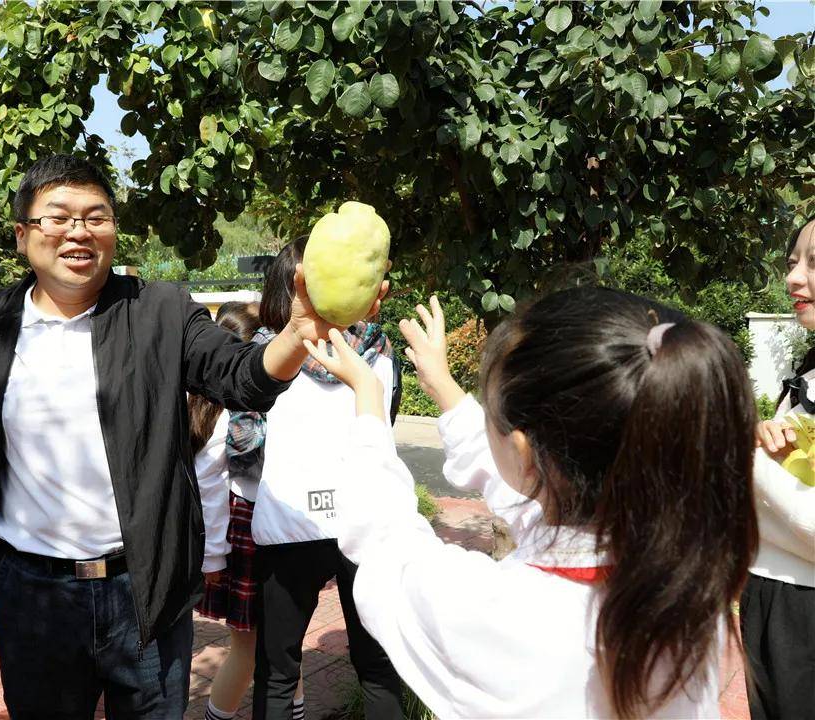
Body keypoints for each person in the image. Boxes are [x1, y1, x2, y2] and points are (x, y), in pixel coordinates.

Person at [0, 155, 386, 718]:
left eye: (97, 217)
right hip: (32, 594)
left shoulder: (160, 310)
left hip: (144, 593)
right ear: (23, 235)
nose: (78, 232)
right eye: (58, 217)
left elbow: (240, 377)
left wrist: (296, 333)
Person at [303, 288, 757, 718]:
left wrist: (367, 397)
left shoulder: (500, 614)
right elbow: (537, 500)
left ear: (525, 456)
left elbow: (385, 538)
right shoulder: (684, 586)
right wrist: (442, 385)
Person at [244, 238, 405, 720]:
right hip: (366, 523)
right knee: (377, 669)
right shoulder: (378, 353)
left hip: (289, 521)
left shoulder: (264, 358)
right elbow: (381, 424)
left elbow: (243, 445)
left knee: (276, 672)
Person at [185, 302, 277, 720]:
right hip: (243, 534)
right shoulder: (235, 414)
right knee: (255, 650)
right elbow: (210, 489)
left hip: (239, 534)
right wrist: (213, 558)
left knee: (273, 649)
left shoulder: (199, 402)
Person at [747, 217, 815, 720]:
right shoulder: (808, 375)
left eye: (814, 263)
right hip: (772, 598)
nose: (793, 278)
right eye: (793, 263)